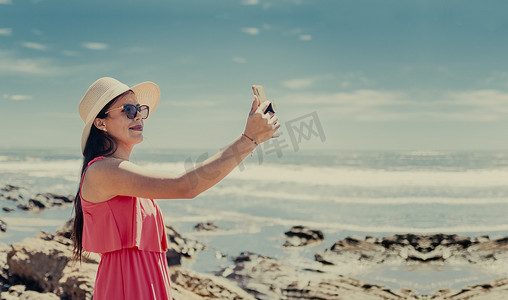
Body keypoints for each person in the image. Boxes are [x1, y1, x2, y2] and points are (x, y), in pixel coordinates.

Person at [71, 77, 280, 299]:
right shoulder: (103, 171)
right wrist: (249, 139)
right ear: (100, 123)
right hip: (125, 289)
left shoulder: (122, 174)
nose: (139, 116)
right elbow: (184, 186)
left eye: (140, 109)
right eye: (129, 110)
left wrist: (252, 140)